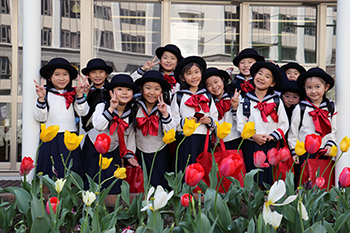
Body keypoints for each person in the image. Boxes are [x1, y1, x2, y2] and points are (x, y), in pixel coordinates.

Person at [33, 57, 89, 178]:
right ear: (49, 77)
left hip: (70, 137)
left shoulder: (74, 93)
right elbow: (40, 117)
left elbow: (83, 112)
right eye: (57, 74)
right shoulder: (45, 93)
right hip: (50, 138)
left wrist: (80, 95)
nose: (61, 78)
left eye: (65, 74)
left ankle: (71, 197)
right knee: (49, 173)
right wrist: (41, 99)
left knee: (72, 173)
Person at [236, 61, 289, 185]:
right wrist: (253, 136)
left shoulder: (276, 101)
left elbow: (284, 123)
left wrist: (273, 136)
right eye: (259, 73)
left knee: (271, 177)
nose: (262, 78)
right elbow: (240, 123)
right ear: (254, 76)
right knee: (253, 176)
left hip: (272, 144)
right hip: (252, 144)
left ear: (273, 83)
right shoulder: (246, 100)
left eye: (267, 76)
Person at [288, 67, 336, 185]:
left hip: (325, 151)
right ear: (304, 89)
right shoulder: (301, 108)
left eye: (317, 87)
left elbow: (334, 130)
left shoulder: (331, 108)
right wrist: (294, 151)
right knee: (305, 183)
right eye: (309, 87)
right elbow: (293, 131)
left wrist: (331, 143)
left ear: (326, 88)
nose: (313, 91)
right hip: (305, 153)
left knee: (323, 182)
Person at [92, 74, 139, 194]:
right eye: (120, 89)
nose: (125, 93)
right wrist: (111, 109)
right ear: (111, 92)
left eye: (128, 90)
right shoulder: (102, 107)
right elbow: (99, 126)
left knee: (114, 186)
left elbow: (130, 135)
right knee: (97, 185)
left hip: (116, 151)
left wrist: (129, 155)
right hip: (96, 151)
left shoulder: (131, 110)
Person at [171, 56, 218, 172]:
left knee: (203, 172)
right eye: (189, 73)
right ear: (182, 77)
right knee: (185, 171)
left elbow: (215, 118)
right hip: (185, 140)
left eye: (196, 72)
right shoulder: (178, 97)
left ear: (201, 73)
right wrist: (185, 121)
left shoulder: (208, 96)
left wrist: (209, 121)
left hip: (204, 139)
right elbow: (173, 120)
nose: (194, 76)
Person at [133, 70, 176, 189]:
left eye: (157, 89)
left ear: (162, 91)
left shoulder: (166, 107)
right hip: (140, 151)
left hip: (160, 151)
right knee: (143, 186)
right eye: (148, 88)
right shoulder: (134, 107)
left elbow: (171, 131)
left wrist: (165, 114)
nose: (152, 92)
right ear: (141, 89)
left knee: (161, 185)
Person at [80, 58, 112, 188]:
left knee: (108, 171)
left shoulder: (112, 91)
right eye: (93, 72)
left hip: (109, 135)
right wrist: (84, 95)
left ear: (106, 74)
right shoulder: (86, 91)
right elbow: (81, 112)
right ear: (88, 75)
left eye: (101, 72)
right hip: (90, 136)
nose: (97, 75)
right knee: (90, 170)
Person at [203, 67, 241, 149]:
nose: (214, 86)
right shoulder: (208, 102)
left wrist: (235, 107)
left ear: (222, 79)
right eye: (209, 85)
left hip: (236, 139)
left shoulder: (235, 96)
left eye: (216, 82)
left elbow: (241, 120)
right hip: (218, 142)